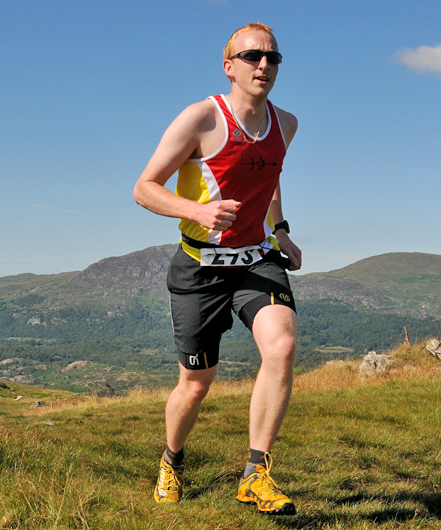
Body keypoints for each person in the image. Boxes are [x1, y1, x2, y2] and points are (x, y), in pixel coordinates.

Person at [133, 22, 301, 515]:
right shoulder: (202, 118)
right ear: (229, 66)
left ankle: (255, 473)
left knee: (283, 344)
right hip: (199, 267)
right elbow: (144, 187)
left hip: (255, 258)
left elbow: (266, 178)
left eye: (272, 58)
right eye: (251, 57)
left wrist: (282, 228)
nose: (263, 65)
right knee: (196, 383)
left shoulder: (285, 123)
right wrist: (196, 211)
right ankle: (171, 460)